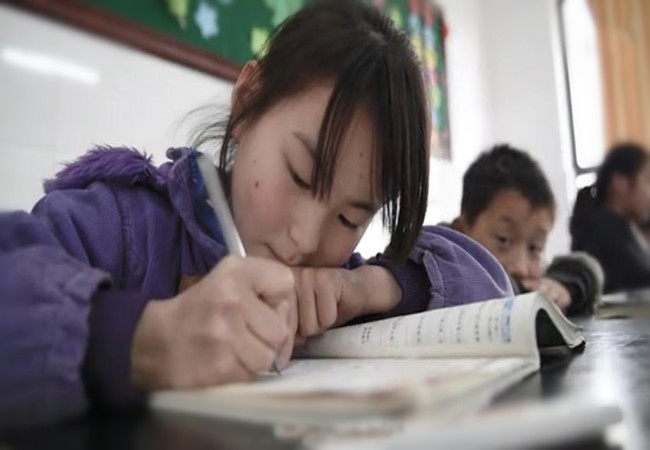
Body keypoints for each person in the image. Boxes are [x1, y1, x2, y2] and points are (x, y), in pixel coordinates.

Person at [0, 0, 511, 425]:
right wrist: (144, 338)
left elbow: (496, 296)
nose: (304, 239)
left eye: (349, 219)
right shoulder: (124, 225)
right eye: (300, 176)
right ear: (248, 101)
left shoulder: (328, 286)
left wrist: (366, 288)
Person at [451, 145, 603, 315]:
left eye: (535, 247)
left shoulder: (532, 282)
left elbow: (588, 267)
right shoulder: (438, 266)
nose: (520, 268)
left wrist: (561, 285)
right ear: (461, 231)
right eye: (503, 239)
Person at [571, 142, 650, 293]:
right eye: (648, 180)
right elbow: (640, 282)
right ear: (620, 182)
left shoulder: (621, 228)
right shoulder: (602, 234)